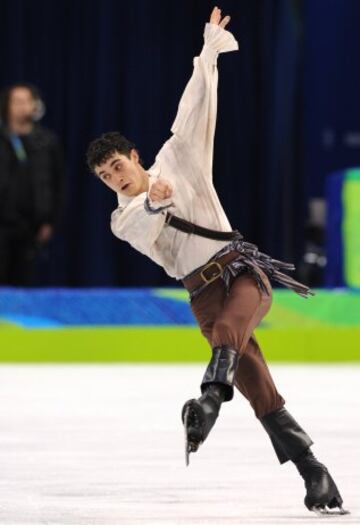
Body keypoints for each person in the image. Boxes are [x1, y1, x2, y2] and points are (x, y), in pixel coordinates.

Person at [86, 6, 348, 516]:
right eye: (104, 176)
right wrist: (155, 200)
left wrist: (208, 52)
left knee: (231, 328)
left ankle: (208, 399)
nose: (114, 178)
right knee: (257, 385)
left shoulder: (178, 158)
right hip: (200, 293)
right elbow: (144, 227)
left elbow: (194, 109)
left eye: (117, 166)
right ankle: (316, 475)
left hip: (241, 272)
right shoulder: (122, 219)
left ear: (134, 157)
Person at [0, 82, 64, 285]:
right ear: (6, 105)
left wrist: (50, 221)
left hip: (31, 226)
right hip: (2, 221)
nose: (22, 106)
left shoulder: (46, 142)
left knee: (25, 283)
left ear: (35, 105)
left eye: (26, 101)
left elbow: (58, 183)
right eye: (16, 101)